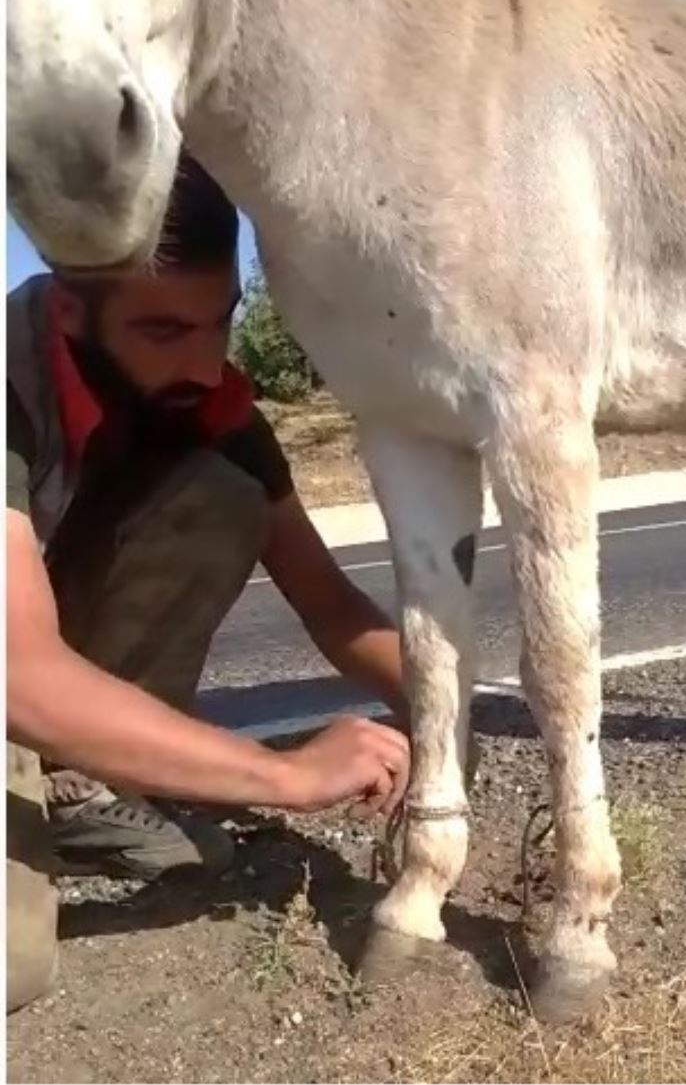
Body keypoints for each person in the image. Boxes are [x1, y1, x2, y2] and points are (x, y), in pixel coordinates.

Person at [6, 154, 412, 1013]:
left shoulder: (211, 408)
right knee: (14, 960)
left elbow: (330, 601)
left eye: (219, 322)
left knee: (223, 492)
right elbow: (19, 670)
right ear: (73, 309)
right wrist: (287, 777)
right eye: (163, 332)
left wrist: (444, 709)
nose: (204, 363)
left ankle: (83, 787)